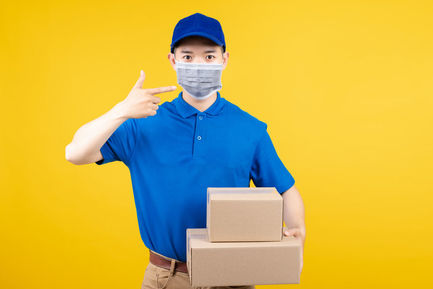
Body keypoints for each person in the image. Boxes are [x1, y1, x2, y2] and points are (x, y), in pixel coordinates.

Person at [65, 12, 306, 289]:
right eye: (188, 57)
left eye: (209, 56)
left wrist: (298, 230)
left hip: (233, 275)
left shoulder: (249, 128)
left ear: (224, 60)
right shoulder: (143, 123)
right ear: (173, 60)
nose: (199, 65)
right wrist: (120, 111)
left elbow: (285, 189)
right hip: (165, 277)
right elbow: (75, 153)